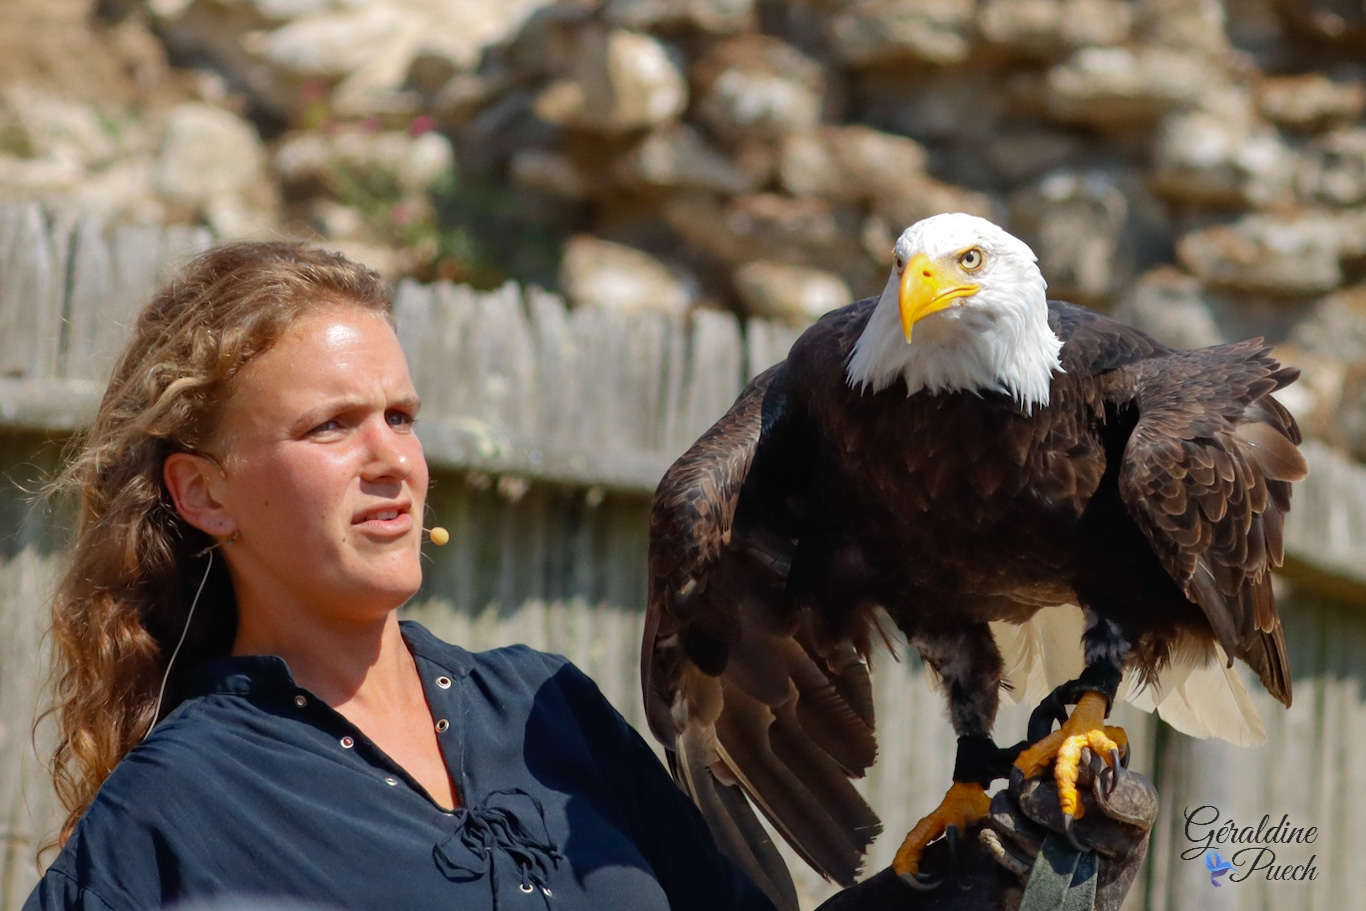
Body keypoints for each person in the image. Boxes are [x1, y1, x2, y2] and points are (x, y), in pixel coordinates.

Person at [25, 241, 1153, 911]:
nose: (390, 459)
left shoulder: (543, 708)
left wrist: (976, 882)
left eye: (401, 416)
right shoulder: (175, 817)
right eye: (331, 426)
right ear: (203, 492)